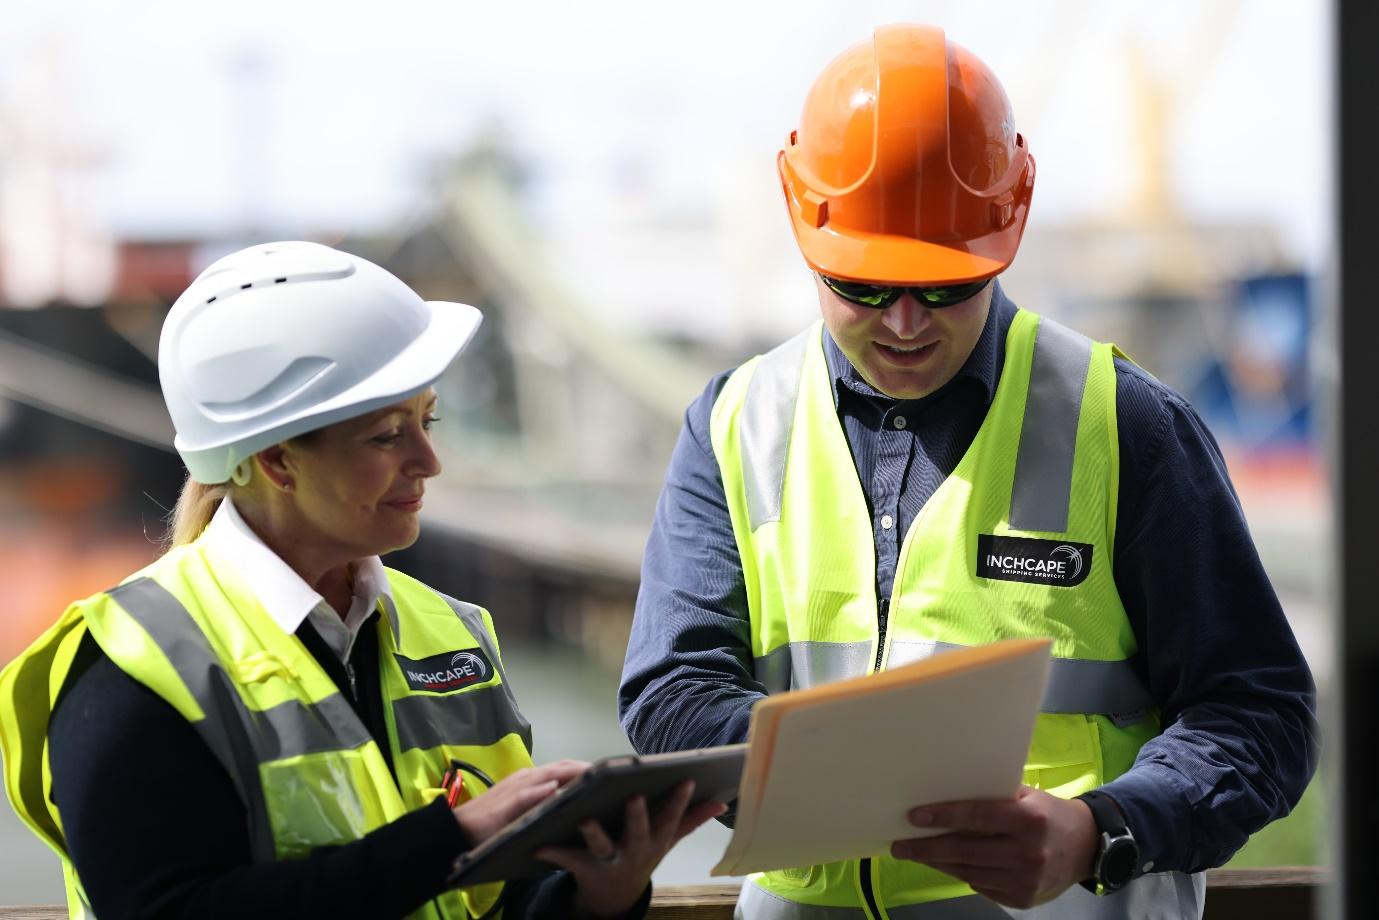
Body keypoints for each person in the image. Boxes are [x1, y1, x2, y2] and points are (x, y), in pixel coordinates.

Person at [618, 23, 1319, 920]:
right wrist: (831, 782)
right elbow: (671, 688)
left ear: (1008, 227)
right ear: (802, 228)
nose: (905, 323)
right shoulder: (731, 425)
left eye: (945, 286)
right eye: (863, 287)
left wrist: (1096, 830)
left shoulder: (1127, 427)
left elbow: (1259, 716)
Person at [0, 240, 724, 920]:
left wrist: (599, 892)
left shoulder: (454, 632)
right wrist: (452, 837)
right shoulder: (130, 668)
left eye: (427, 422)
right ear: (278, 461)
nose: (428, 461)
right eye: (386, 435)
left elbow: (496, 905)